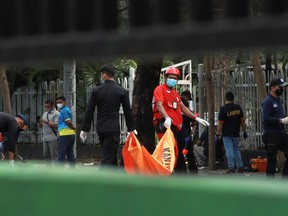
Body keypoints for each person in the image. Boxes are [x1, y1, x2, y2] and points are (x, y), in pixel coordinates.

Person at [153, 66, 209, 174]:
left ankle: (182, 174)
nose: (173, 80)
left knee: (180, 150)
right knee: (171, 151)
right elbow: (159, 105)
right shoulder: (159, 90)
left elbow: (183, 107)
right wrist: (167, 118)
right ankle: (172, 174)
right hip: (168, 126)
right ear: (166, 77)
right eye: (171, 77)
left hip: (178, 127)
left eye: (175, 78)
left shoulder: (175, 93)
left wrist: (196, 117)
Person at [80, 64, 136, 167]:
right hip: (113, 128)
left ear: (105, 75)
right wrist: (131, 128)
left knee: (111, 155)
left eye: (101, 74)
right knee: (109, 156)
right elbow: (128, 111)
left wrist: (84, 129)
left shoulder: (96, 90)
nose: (101, 76)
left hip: (101, 128)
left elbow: (89, 110)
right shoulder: (122, 91)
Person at [262, 78, 288, 176]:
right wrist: (280, 120)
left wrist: (284, 118)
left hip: (281, 132)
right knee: (272, 160)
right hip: (271, 134)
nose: (282, 89)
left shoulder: (280, 100)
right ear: (273, 88)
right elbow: (266, 118)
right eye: (280, 87)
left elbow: (280, 114)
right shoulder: (267, 101)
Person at [216, 91, 247, 174]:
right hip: (236, 132)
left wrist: (218, 134)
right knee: (236, 149)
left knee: (229, 150)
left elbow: (221, 123)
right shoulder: (238, 107)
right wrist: (244, 131)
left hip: (227, 133)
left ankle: (231, 167)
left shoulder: (223, 109)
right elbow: (242, 121)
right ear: (233, 99)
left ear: (225, 98)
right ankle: (240, 167)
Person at [56, 96, 76, 167]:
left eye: (60, 102)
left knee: (61, 154)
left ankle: (60, 173)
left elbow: (68, 121)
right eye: (57, 102)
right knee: (70, 153)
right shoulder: (67, 109)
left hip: (64, 135)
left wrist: (73, 127)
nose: (58, 104)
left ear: (65, 102)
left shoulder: (64, 110)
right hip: (70, 134)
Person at [38, 99, 59, 164]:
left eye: (48, 106)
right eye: (46, 106)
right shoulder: (45, 114)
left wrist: (46, 122)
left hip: (53, 137)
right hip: (45, 138)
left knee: (54, 155)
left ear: (52, 106)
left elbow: (56, 125)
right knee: (46, 155)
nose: (47, 108)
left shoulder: (56, 114)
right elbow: (41, 126)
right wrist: (39, 123)